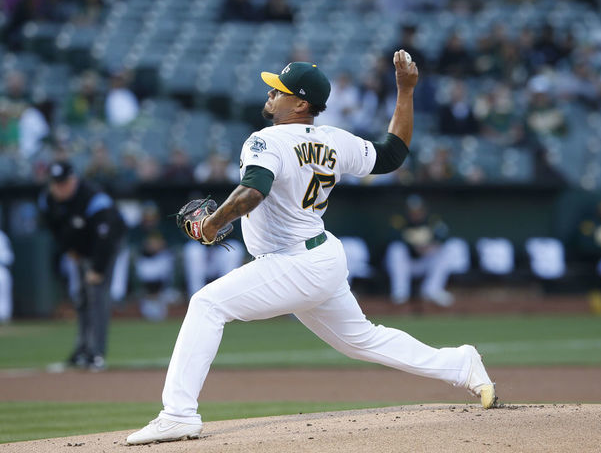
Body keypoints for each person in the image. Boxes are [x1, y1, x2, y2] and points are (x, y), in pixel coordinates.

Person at [126, 52, 496, 445]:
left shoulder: (265, 140)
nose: (271, 92)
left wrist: (211, 225)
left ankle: (178, 414)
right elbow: (392, 154)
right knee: (362, 340)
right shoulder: (333, 139)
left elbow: (252, 191)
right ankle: (460, 364)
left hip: (295, 261)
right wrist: (405, 91)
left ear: (301, 104)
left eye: (281, 90)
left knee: (207, 304)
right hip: (321, 257)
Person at [38, 160, 127, 370]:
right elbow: (56, 231)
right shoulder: (48, 200)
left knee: (96, 295)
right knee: (80, 297)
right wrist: (71, 251)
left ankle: (96, 353)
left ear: (73, 180)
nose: (60, 188)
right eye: (55, 183)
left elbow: (105, 238)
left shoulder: (94, 199)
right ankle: (82, 350)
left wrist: (96, 269)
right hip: (79, 249)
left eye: (64, 182)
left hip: (106, 246)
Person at [385, 195, 456, 307]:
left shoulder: (432, 221)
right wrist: (413, 246)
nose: (416, 214)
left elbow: (444, 236)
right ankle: (400, 293)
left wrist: (431, 245)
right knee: (396, 250)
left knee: (446, 251)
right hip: (407, 263)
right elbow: (391, 238)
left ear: (424, 210)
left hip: (425, 262)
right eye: (412, 211)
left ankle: (432, 290)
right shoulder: (400, 221)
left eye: (418, 210)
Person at [0, 229, 14, 324]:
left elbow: (9, 257)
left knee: (4, 295)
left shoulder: (1, 236)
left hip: (1, 268)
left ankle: (4, 318)